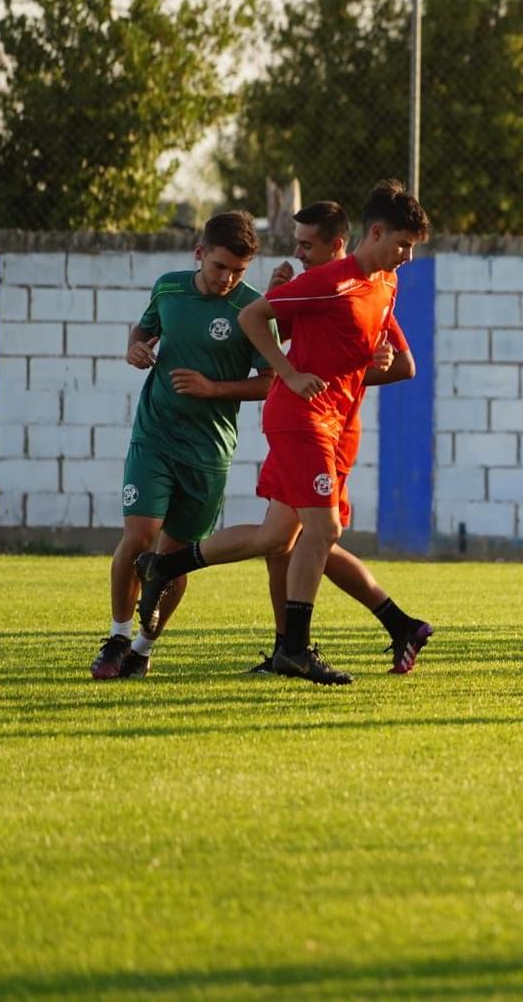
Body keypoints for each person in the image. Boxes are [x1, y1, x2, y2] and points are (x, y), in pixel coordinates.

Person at [135, 183, 433, 685]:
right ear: (376, 232)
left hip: (334, 423)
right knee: (325, 531)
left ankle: (164, 566)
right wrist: (289, 374)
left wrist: (368, 363)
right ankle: (296, 648)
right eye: (403, 244)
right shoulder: (331, 281)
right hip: (301, 418)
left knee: (279, 538)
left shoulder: (386, 284)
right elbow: (254, 316)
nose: (407, 256)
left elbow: (390, 363)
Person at [90, 213, 270, 679]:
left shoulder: (251, 310)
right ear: (199, 254)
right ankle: (115, 636)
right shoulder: (168, 288)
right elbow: (143, 330)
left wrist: (214, 389)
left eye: (238, 271)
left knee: (173, 558)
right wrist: (135, 348)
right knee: (139, 536)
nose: (228, 279)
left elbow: (271, 383)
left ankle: (144, 650)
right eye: (220, 267)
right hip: (154, 436)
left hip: (208, 452)